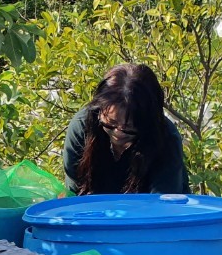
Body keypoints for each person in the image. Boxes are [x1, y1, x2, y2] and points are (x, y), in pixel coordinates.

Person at [62, 63, 190, 196]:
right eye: (111, 123)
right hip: (94, 212)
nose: (118, 133)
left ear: (148, 121)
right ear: (99, 110)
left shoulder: (166, 136)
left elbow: (163, 203)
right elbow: (75, 193)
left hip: (149, 212)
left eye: (130, 128)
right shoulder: (82, 127)